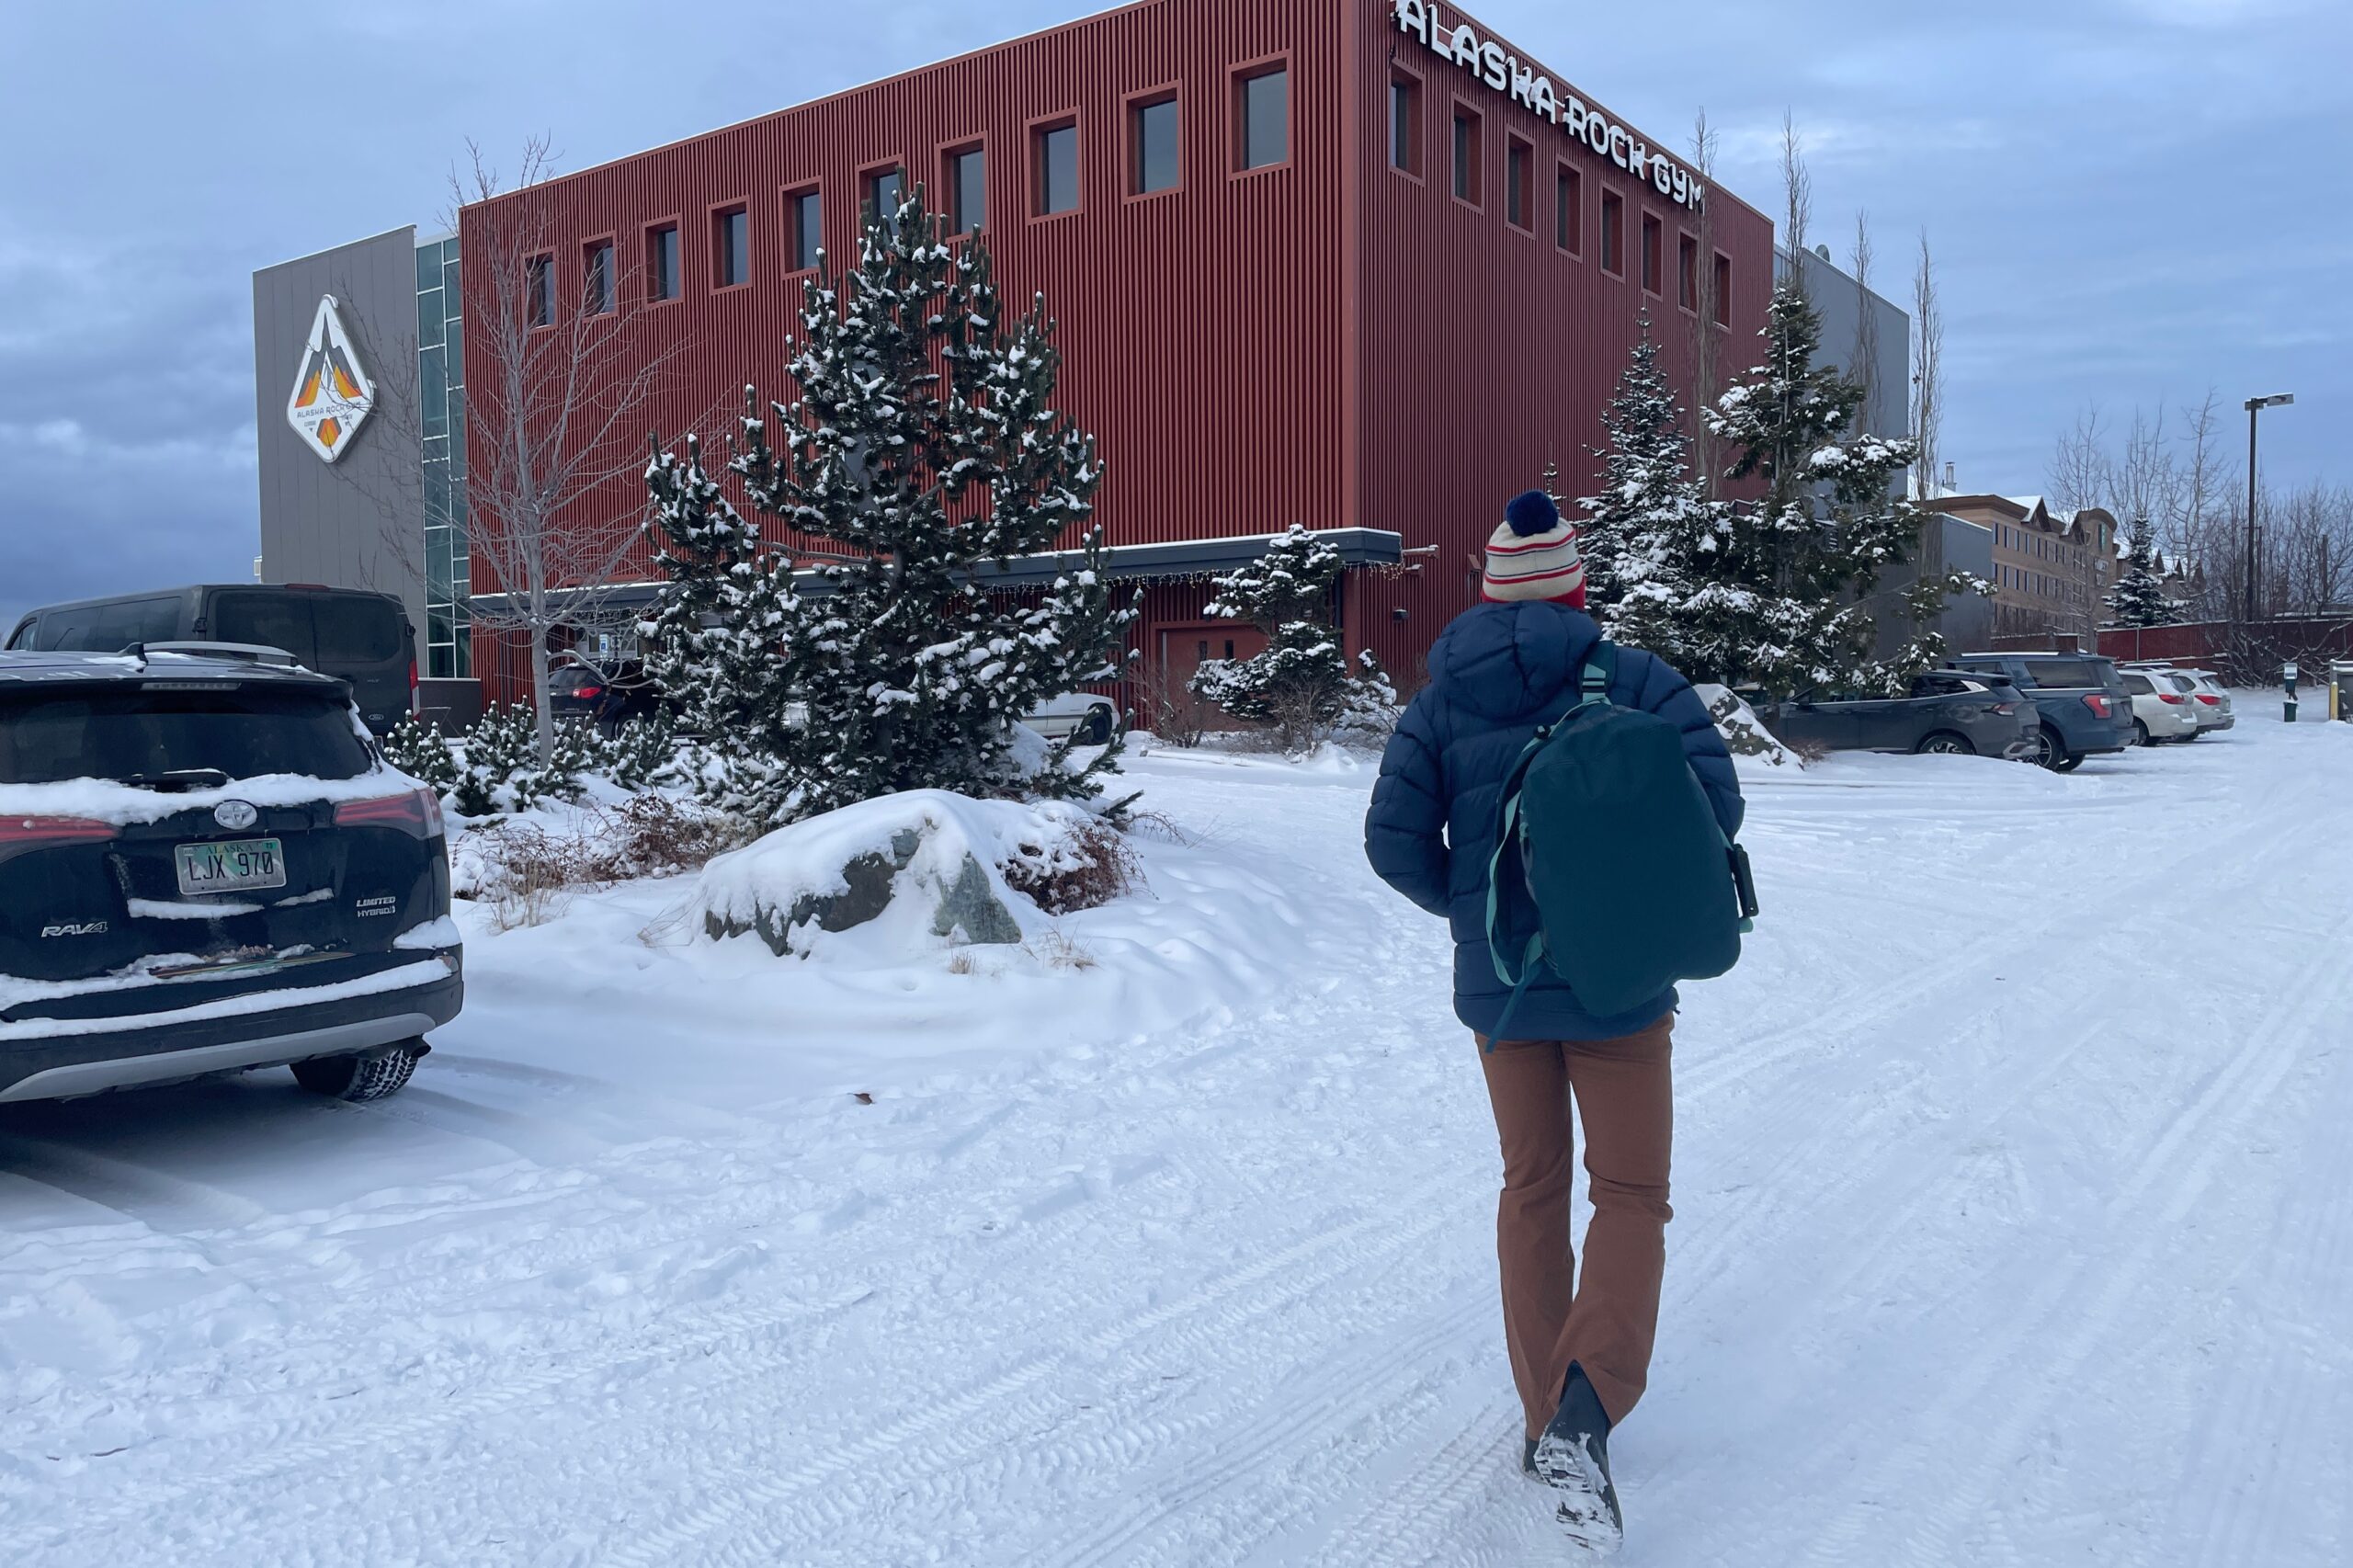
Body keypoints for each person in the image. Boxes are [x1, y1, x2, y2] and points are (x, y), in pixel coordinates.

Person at [1362, 490, 1744, 1552]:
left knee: (1531, 1188)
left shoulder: (1438, 699)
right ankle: (1590, 1403)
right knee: (1629, 1191)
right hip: (1620, 981)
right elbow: (1717, 810)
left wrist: (1474, 906)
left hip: (1502, 992)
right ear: (1577, 588)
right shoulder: (1634, 677)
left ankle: (1545, 1420)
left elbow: (1392, 842)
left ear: (1487, 590)